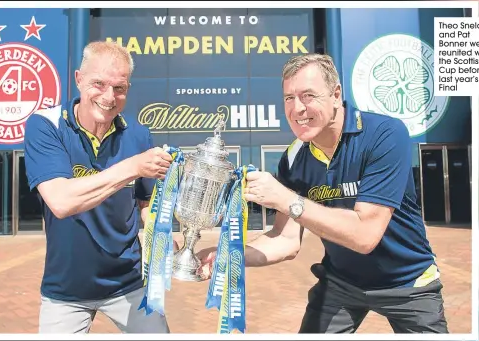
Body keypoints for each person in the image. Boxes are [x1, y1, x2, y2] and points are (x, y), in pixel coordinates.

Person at [197, 53, 449, 334]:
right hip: (342, 282)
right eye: (289, 98)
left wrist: (286, 198)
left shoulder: (384, 135)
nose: (297, 108)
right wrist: (228, 254)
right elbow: (286, 240)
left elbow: (365, 236)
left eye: (308, 95)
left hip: (408, 282)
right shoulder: (294, 157)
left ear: (336, 94)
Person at [24, 40, 179, 334]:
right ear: (79, 79)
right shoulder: (46, 125)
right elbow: (60, 201)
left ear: (128, 89)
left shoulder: (137, 134)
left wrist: (161, 235)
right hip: (66, 288)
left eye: (119, 88)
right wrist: (131, 167)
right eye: (99, 84)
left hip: (129, 283)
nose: (109, 97)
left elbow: (146, 204)